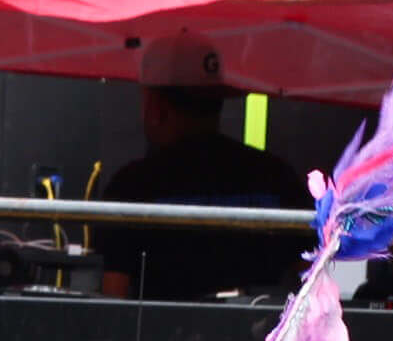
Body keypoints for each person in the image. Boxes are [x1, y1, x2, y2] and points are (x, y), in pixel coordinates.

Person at [96, 36, 306, 302]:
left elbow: (113, 300)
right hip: (263, 329)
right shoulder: (276, 177)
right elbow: (313, 281)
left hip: (159, 329)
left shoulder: (131, 186)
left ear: (155, 108)